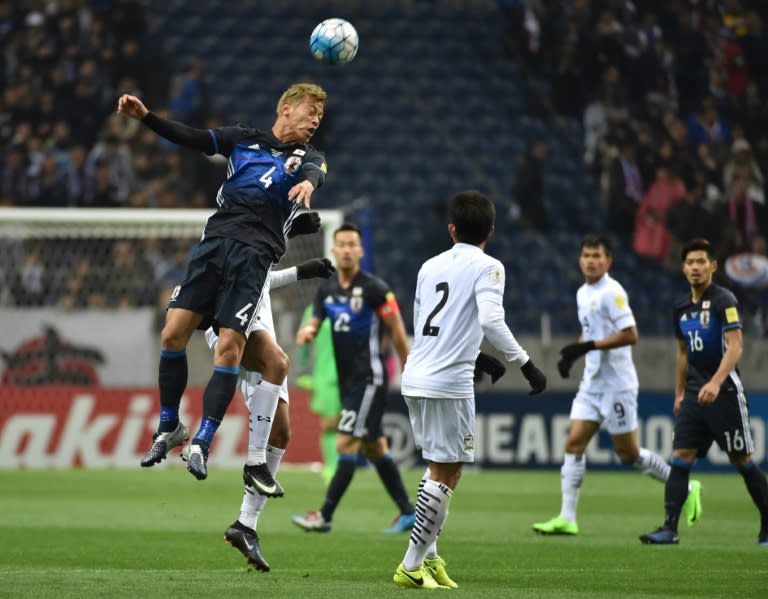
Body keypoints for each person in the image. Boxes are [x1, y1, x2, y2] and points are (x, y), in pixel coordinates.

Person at [117, 82, 328, 480]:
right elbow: (193, 138)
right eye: (310, 109)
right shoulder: (243, 139)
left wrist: (308, 183)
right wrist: (146, 118)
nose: (315, 119)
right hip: (213, 246)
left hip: (253, 260)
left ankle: (202, 440)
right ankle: (170, 424)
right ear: (285, 108)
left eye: (320, 114)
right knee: (173, 334)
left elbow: (317, 171)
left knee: (230, 347)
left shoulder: (309, 157)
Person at [392, 190, 547, 589]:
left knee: (435, 467)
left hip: (416, 375)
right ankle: (410, 565)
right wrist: (525, 363)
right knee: (449, 470)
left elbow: (430, 322)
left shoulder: (428, 266)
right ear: (491, 231)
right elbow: (491, 320)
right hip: (448, 383)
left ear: (451, 229)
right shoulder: (490, 266)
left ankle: (430, 559)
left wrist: (478, 357)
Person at [533, 234, 702, 537]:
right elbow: (591, 333)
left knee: (629, 454)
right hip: (592, 384)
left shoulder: (613, 292)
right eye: (586, 255)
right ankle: (567, 517)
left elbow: (630, 334)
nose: (591, 260)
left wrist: (589, 346)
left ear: (608, 261)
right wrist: (574, 353)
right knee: (573, 444)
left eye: (597, 255)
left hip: (617, 386)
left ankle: (686, 487)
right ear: (580, 259)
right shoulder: (582, 293)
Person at [205, 256, 335, 572]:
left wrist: (303, 271)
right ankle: (255, 462)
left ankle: (245, 526)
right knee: (277, 362)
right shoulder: (230, 230)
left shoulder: (261, 236)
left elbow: (263, 279)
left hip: (261, 323)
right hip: (233, 323)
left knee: (282, 433)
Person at [291, 223, 417, 534]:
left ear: (360, 251)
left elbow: (397, 331)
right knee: (374, 448)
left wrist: (408, 368)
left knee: (346, 441)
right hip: (348, 382)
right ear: (333, 251)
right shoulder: (326, 290)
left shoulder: (376, 289)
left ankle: (324, 515)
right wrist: (307, 331)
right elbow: (316, 322)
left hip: (369, 379)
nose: (347, 249)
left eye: (352, 245)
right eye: (342, 244)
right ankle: (408, 513)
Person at [640, 238, 768, 545]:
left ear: (713, 266)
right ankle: (670, 528)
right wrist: (679, 391)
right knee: (680, 457)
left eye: (701, 262)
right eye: (690, 263)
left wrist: (716, 382)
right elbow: (683, 351)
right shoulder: (681, 308)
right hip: (694, 395)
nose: (695, 268)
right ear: (683, 268)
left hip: (724, 394)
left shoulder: (725, 300)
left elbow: (736, 346)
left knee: (743, 460)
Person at [296, 303, 342, 485]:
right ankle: (332, 467)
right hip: (326, 375)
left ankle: (341, 465)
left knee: (348, 423)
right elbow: (304, 344)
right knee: (330, 423)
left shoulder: (353, 303)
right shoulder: (312, 309)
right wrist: (302, 370)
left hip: (352, 374)